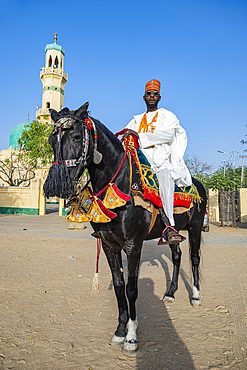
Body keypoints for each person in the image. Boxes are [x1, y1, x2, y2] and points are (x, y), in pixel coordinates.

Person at [124, 79, 192, 243]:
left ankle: (169, 225)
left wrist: (140, 135)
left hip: (160, 157)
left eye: (155, 94)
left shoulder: (168, 115)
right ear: (144, 97)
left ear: (159, 98)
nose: (152, 96)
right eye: (149, 94)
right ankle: (110, 221)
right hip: (139, 158)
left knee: (165, 176)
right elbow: (126, 134)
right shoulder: (136, 119)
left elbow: (168, 135)